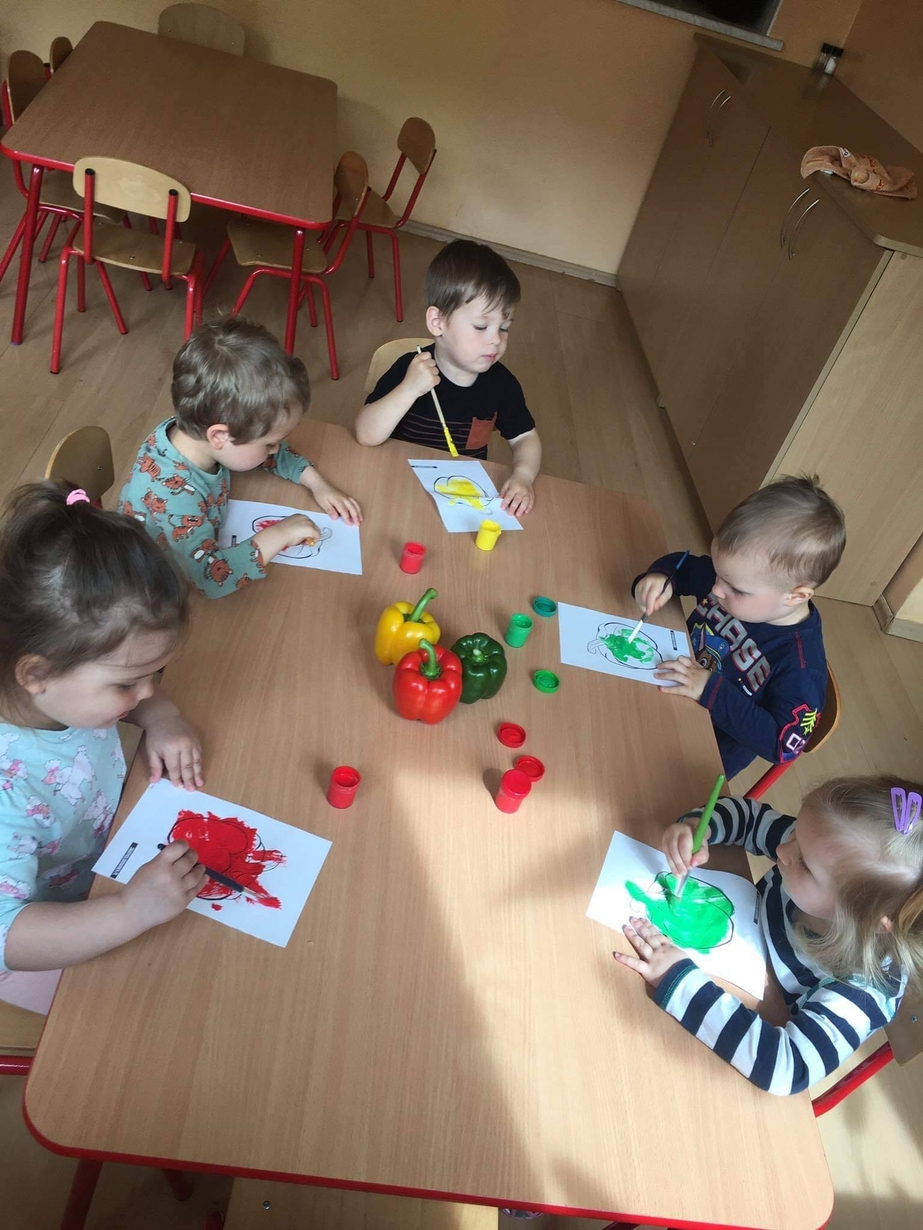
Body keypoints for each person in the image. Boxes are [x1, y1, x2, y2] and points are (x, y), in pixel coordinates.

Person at [0, 482, 206, 1015]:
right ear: (36, 674)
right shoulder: (7, 790)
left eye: (155, 674)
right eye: (127, 684)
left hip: (111, 860)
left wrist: (161, 717)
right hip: (56, 929)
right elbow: (7, 936)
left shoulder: (59, 691)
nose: (148, 692)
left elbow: (128, 696)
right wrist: (129, 912)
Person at [614, 777, 923, 1094]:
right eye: (796, 833)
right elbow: (749, 818)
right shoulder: (811, 846)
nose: (782, 849)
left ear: (863, 917)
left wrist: (679, 982)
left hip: (740, 1012)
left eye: (805, 865)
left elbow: (787, 1068)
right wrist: (700, 828)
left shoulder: (866, 989)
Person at [120, 317, 362, 597]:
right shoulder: (174, 497)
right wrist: (279, 534)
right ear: (220, 436)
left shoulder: (198, 434)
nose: (275, 449)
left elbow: (261, 453)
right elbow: (211, 578)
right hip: (152, 587)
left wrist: (316, 483)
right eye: (270, 443)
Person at [633, 475, 845, 779]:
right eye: (719, 573)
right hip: (661, 688)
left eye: (735, 589)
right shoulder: (740, 579)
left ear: (795, 596)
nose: (716, 589)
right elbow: (686, 567)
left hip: (693, 756)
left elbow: (782, 745)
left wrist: (709, 690)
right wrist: (661, 578)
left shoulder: (802, 668)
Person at [355, 239, 542, 516]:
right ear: (438, 322)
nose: (496, 340)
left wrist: (523, 475)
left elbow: (525, 437)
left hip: (456, 499)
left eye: (504, 328)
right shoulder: (410, 367)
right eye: (481, 326)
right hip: (394, 486)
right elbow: (365, 434)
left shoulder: (502, 384)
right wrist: (408, 389)